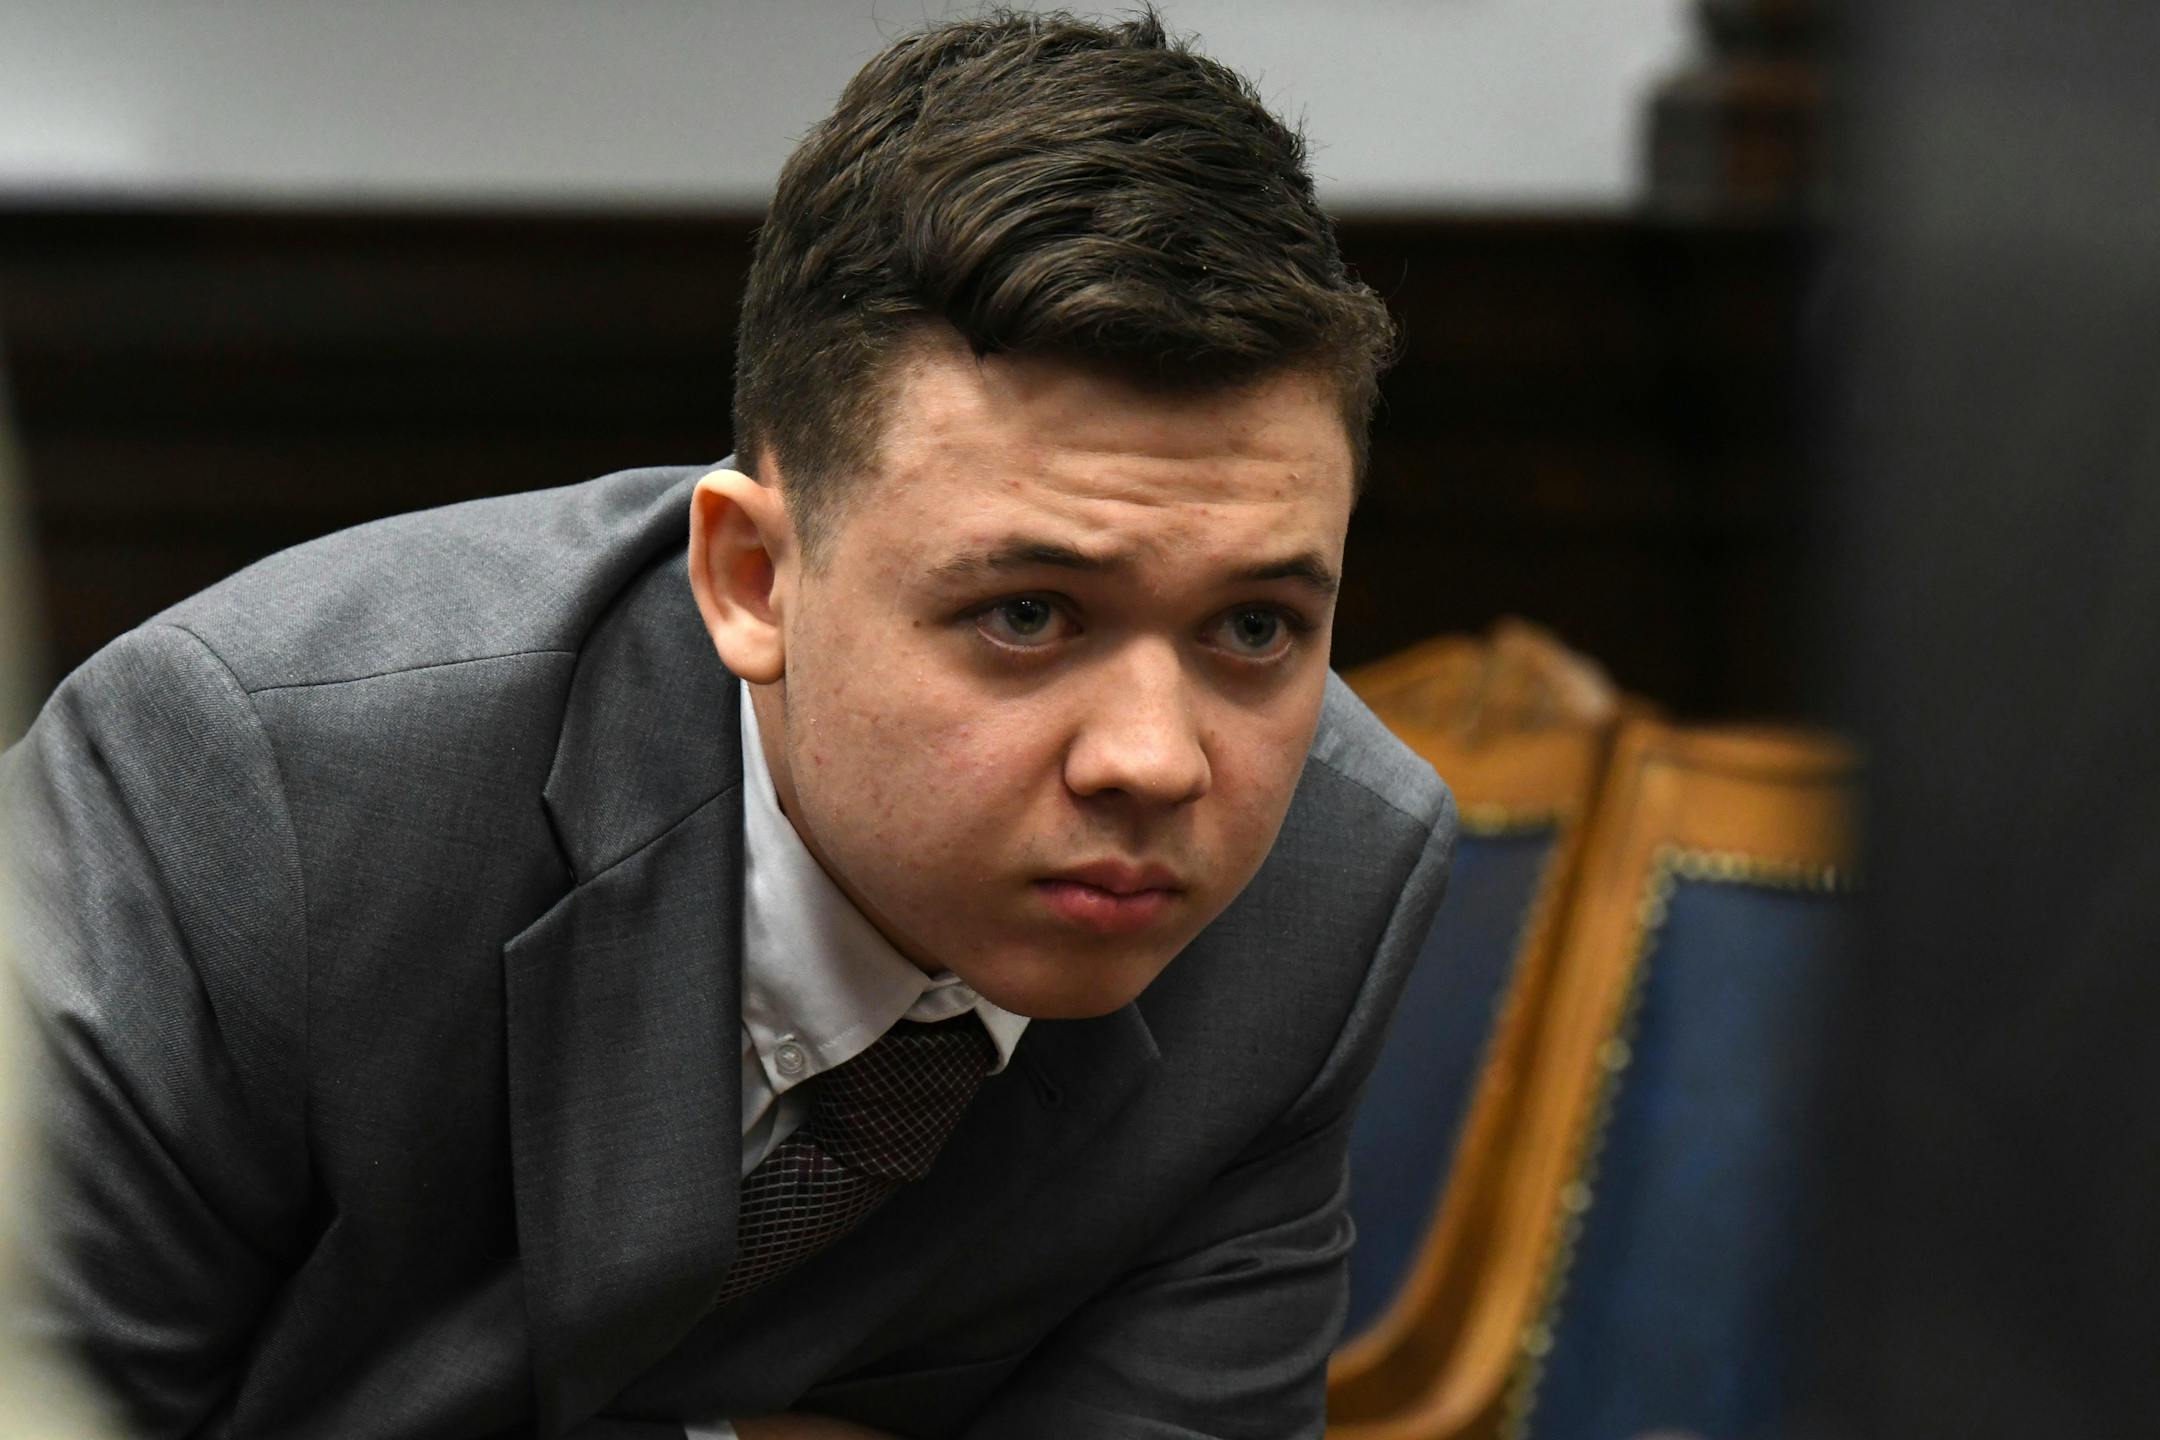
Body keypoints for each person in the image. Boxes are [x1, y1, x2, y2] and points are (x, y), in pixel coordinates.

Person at [1, 10, 1455, 1438]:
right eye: (1028, 614)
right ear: (752, 579)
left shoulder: (1331, 885)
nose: (1153, 759)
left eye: (1256, 629)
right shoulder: (255, 782)